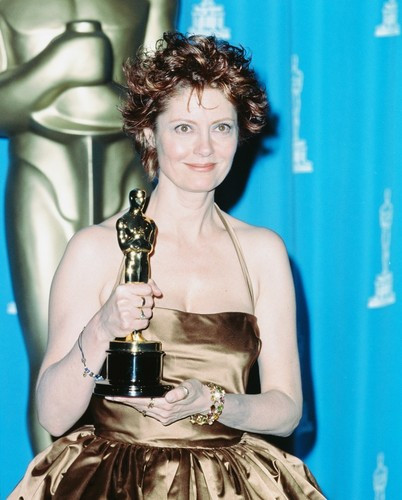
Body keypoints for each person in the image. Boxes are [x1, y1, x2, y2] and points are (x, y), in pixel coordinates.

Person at [10, 32, 325, 499]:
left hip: (232, 485)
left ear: (240, 133)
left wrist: (210, 403)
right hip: (112, 483)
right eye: (183, 128)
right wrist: (102, 327)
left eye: (221, 127)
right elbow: (53, 415)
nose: (205, 148)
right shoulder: (95, 249)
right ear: (148, 133)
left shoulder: (263, 252)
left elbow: (286, 410)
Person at [0, 0, 177, 451]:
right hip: (42, 177)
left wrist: (94, 85)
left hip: (130, 184)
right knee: (54, 360)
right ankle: (55, 484)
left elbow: (162, 103)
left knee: (140, 354)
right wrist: (56, 68)